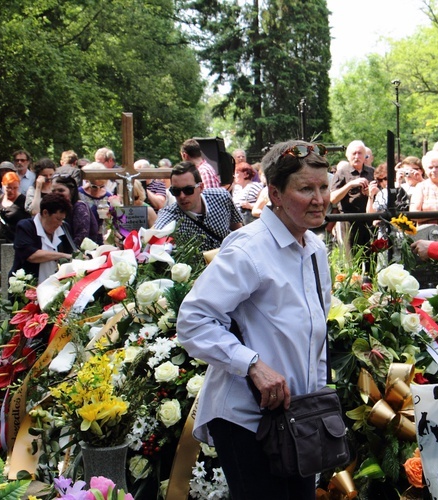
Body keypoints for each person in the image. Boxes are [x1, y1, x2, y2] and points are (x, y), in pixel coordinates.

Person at [177, 140, 331, 500]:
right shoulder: (248, 248)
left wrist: (319, 398)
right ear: (274, 194)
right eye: (306, 188)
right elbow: (193, 320)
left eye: (323, 186)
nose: (319, 198)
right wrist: (252, 365)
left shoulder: (315, 249)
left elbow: (315, 332)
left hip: (297, 419)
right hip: (246, 420)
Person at [153, 161, 242, 251]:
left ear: (201, 187)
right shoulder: (170, 216)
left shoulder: (221, 197)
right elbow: (155, 237)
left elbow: (238, 231)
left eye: (188, 190)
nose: (182, 196)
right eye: (176, 191)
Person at [10, 192, 74, 284]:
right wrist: (63, 255)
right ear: (45, 213)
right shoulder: (26, 227)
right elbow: (31, 255)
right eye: (58, 219)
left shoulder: (64, 228)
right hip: (29, 289)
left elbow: (71, 252)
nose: (60, 223)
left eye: (62, 219)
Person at [330, 140, 375, 256]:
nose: (357, 156)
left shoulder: (372, 172)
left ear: (365, 155)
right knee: (352, 260)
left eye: (360, 153)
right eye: (354, 153)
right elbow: (333, 198)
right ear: (347, 156)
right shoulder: (341, 173)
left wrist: (371, 192)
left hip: (369, 220)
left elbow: (382, 195)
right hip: (349, 221)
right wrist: (350, 185)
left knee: (371, 258)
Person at [51, 174, 101, 246]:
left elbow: (81, 239)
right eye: (53, 191)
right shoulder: (56, 209)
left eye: (61, 190)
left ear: (71, 191)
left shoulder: (79, 208)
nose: (56, 194)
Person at [0, 172, 30, 243]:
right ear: (3, 185)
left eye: (15, 188)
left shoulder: (23, 201)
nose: (11, 191)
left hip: (16, 240)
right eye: (8, 188)